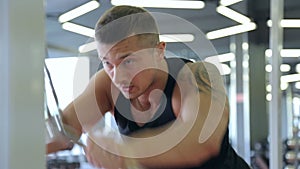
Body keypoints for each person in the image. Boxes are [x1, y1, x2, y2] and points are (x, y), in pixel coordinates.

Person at [47, 5, 251, 169]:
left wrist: (124, 152)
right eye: (107, 63)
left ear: (159, 51)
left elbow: (201, 143)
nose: (118, 77)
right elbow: (62, 132)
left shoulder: (196, 76)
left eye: (128, 61)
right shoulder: (106, 84)